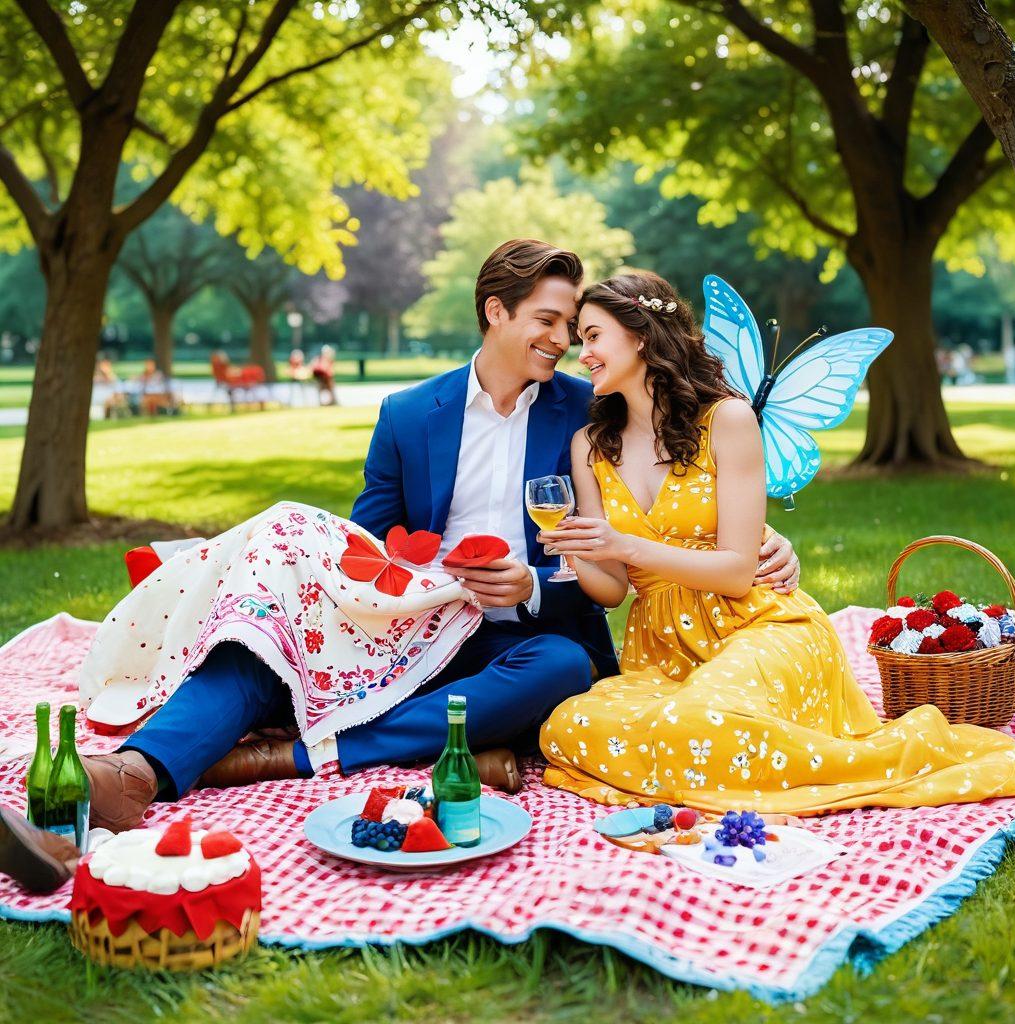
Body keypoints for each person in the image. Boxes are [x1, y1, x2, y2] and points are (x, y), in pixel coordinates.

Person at [0, 242, 799, 892]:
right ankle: (130, 776)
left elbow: (656, 493)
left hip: (517, 639)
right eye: (550, 321)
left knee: (560, 662)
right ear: (497, 311)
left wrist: (536, 579)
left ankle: (299, 752)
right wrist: (415, 584)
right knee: (264, 650)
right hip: (408, 625)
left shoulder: (589, 410)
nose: (564, 341)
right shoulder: (410, 412)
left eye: (574, 327)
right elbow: (370, 537)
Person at [538, 271, 1015, 814]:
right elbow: (612, 591)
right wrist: (578, 551)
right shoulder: (591, 446)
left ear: (642, 335)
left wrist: (623, 546)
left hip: (759, 621)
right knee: (567, 726)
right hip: (663, 647)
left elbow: (737, 572)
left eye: (593, 335)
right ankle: (707, 748)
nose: (582, 354)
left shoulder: (728, 420)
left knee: (701, 721)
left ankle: (892, 759)